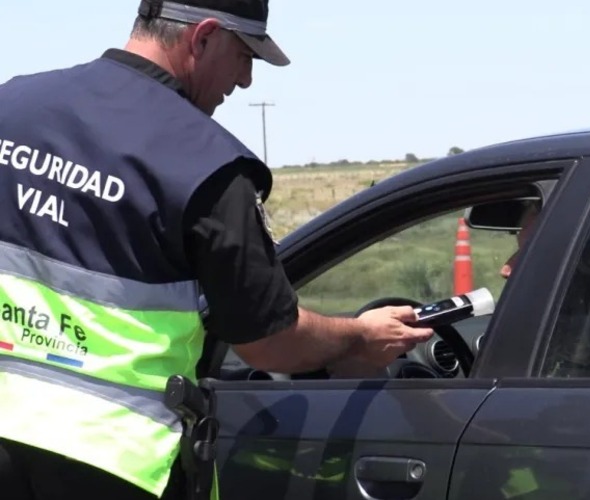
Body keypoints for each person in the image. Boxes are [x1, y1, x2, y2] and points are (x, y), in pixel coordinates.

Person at [0, 1, 434, 499]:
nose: (245, 80)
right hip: (115, 462)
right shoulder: (207, 163)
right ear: (203, 38)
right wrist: (357, 336)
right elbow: (270, 340)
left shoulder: (11, 107)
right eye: (244, 55)